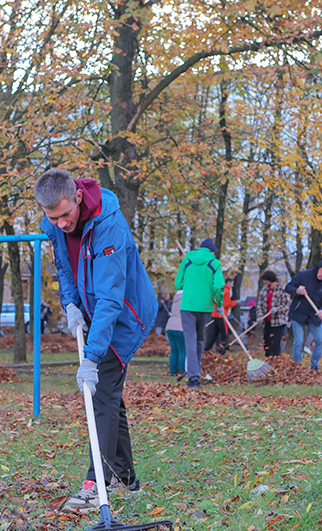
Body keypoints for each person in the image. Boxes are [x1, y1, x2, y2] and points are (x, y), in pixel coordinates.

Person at [35, 168, 156, 512]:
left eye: (65, 215)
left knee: (100, 391)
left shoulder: (109, 226)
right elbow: (64, 265)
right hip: (91, 308)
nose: (60, 224)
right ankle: (125, 477)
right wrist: (70, 302)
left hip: (124, 315)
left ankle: (96, 484)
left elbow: (110, 300)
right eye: (52, 218)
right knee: (109, 397)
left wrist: (91, 356)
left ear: (76, 197)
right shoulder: (56, 224)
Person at [175, 239, 224, 389]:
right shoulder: (214, 263)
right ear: (212, 252)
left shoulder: (187, 260)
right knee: (200, 340)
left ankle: (194, 375)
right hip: (205, 306)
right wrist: (219, 304)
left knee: (190, 340)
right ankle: (195, 374)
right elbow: (219, 286)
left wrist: (189, 286)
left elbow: (178, 284)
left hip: (188, 305)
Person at [285, 259, 322, 370]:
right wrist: (297, 290)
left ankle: (314, 365)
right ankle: (297, 366)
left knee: (320, 340)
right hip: (298, 313)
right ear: (317, 269)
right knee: (299, 341)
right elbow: (288, 287)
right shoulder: (303, 275)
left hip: (314, 315)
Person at [259, 271, 291, 357]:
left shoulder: (282, 289)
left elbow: (286, 306)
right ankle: (268, 358)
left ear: (270, 279)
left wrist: (277, 309)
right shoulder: (264, 290)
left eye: (265, 280)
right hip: (267, 322)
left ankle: (276, 360)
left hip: (278, 322)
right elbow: (260, 304)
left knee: (276, 342)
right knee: (267, 342)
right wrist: (260, 316)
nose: (264, 282)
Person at [204, 277, 237, 355]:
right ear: (228, 283)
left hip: (214, 315)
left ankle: (206, 350)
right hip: (222, 316)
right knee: (224, 335)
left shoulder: (218, 290)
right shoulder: (226, 291)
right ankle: (222, 351)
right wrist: (235, 303)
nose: (233, 284)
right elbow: (226, 304)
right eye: (232, 283)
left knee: (213, 334)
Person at [165, 290, 185, 377]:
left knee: (174, 351)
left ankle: (173, 371)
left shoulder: (175, 300)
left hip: (170, 326)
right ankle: (184, 371)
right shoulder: (187, 299)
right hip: (180, 327)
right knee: (182, 351)